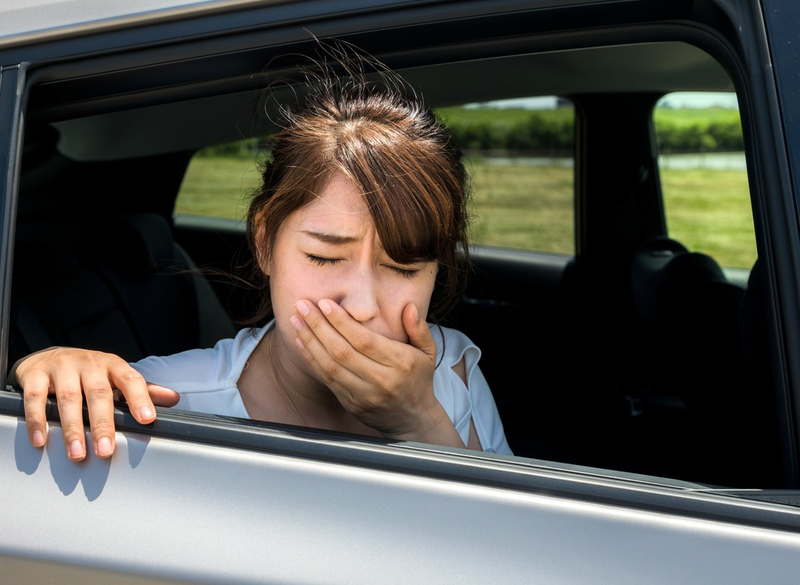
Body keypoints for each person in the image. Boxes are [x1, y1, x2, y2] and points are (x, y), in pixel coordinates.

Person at [10, 49, 511, 461]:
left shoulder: (453, 373)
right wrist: (50, 366)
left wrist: (421, 421)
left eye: (403, 267)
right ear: (266, 241)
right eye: (323, 257)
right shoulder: (161, 402)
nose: (362, 306)